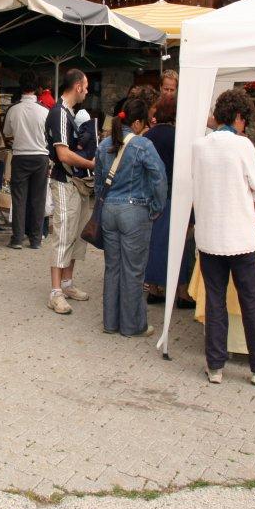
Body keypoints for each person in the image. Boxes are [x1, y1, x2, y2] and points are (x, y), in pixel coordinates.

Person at [191, 88, 255, 386]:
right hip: (239, 236)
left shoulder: (199, 146)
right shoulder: (243, 146)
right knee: (251, 301)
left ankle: (215, 366)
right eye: (245, 120)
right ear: (239, 117)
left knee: (215, 301)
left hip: (211, 235)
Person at [95, 98, 167, 337]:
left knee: (112, 267)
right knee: (134, 270)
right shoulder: (143, 145)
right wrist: (156, 207)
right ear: (137, 123)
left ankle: (110, 322)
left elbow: (97, 183)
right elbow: (159, 177)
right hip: (135, 211)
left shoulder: (104, 144)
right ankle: (133, 325)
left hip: (109, 211)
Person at [45, 68, 96, 315]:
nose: (87, 90)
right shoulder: (59, 114)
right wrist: (91, 164)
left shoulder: (68, 114)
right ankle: (55, 291)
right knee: (64, 232)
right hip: (64, 182)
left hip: (74, 184)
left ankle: (66, 284)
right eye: (85, 86)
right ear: (77, 87)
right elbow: (63, 154)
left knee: (75, 233)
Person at [143, 95, 197, 308]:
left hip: (152, 196)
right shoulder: (179, 137)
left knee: (155, 242)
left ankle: (155, 289)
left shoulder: (148, 136)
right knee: (180, 244)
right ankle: (182, 292)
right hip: (177, 195)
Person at [3, 70, 49, 250]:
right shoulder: (44, 111)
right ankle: (36, 239)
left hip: (20, 157)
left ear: (20, 88)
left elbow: (7, 133)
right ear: (37, 88)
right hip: (40, 157)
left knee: (19, 198)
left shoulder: (13, 110)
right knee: (38, 199)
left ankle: (17, 239)